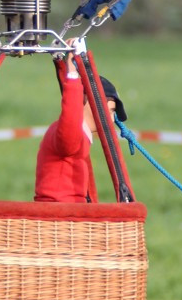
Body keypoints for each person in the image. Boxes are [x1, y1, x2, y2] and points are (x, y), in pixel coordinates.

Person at [34, 50, 126, 203]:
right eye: (110, 111)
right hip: (60, 217)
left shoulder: (78, 134)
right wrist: (72, 77)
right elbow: (70, 121)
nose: (111, 119)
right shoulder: (70, 132)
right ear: (86, 100)